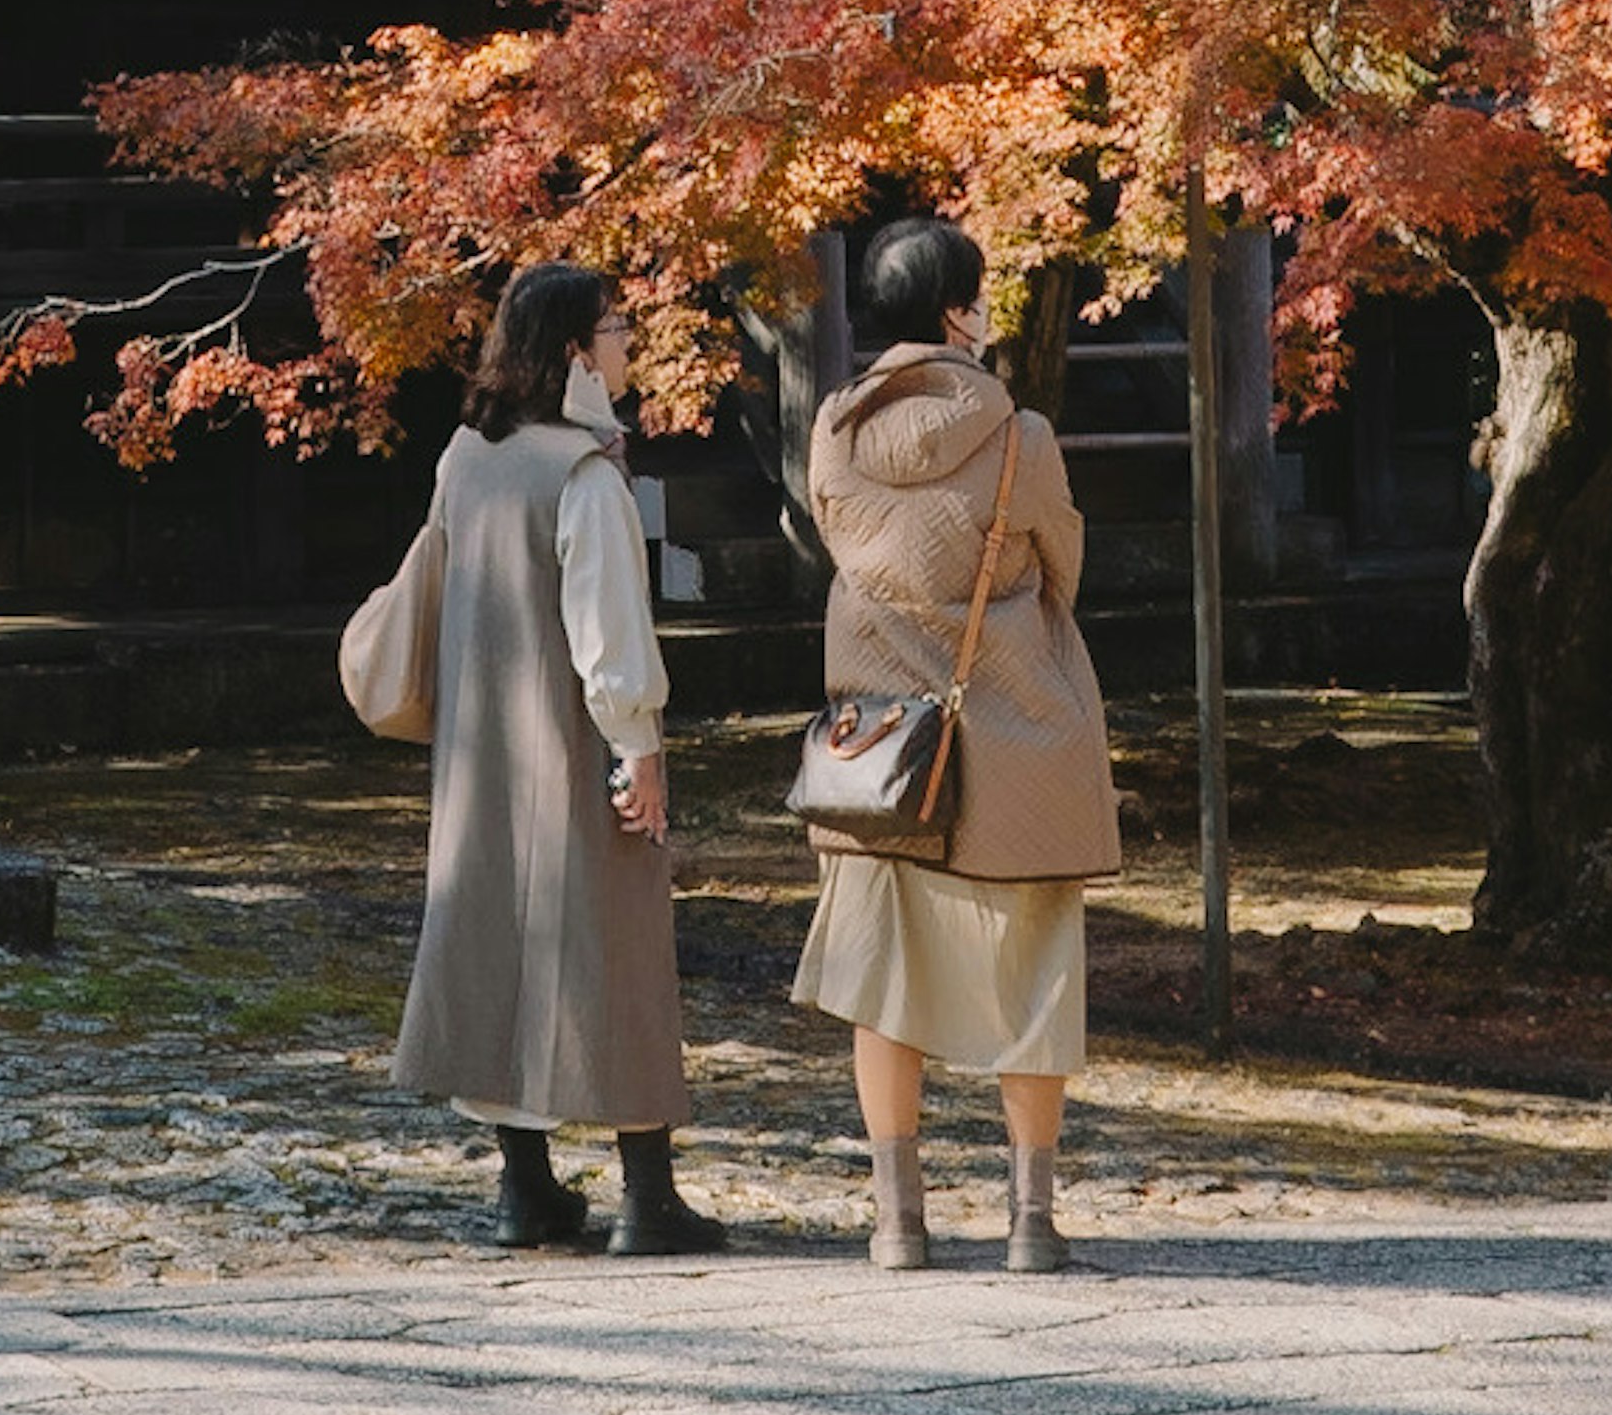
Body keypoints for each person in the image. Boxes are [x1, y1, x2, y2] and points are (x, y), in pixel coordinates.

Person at [797, 217, 1120, 1276]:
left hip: (878, 752)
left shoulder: (833, 430)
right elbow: (1063, 560)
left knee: (881, 984)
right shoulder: (1020, 435)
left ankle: (898, 1221)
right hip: (1010, 731)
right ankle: (1030, 1223)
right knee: (1030, 976)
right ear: (956, 311)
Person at [392, 258, 727, 1259]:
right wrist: (642, 750)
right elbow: (609, 636)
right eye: (618, 324)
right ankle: (647, 1194)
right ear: (579, 348)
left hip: (481, 749)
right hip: (577, 746)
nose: (631, 339)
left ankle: (524, 1188)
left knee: (498, 945)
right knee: (619, 951)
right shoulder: (583, 474)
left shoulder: (466, 459)